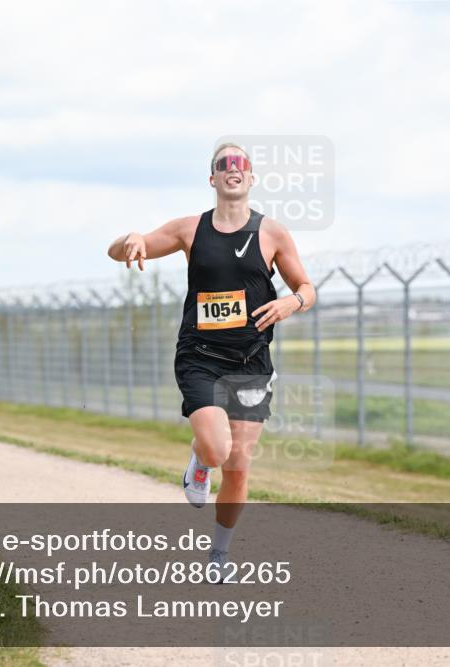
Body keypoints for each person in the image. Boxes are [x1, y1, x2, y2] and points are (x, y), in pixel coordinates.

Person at [106, 143, 315, 581]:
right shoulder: (189, 229)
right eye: (224, 165)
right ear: (213, 178)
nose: (233, 169)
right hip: (200, 357)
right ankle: (200, 462)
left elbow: (306, 287)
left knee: (238, 465)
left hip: (252, 361)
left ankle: (219, 553)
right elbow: (126, 248)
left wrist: (292, 302)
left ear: (252, 177)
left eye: (241, 164)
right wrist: (131, 240)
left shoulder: (272, 234)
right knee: (217, 451)